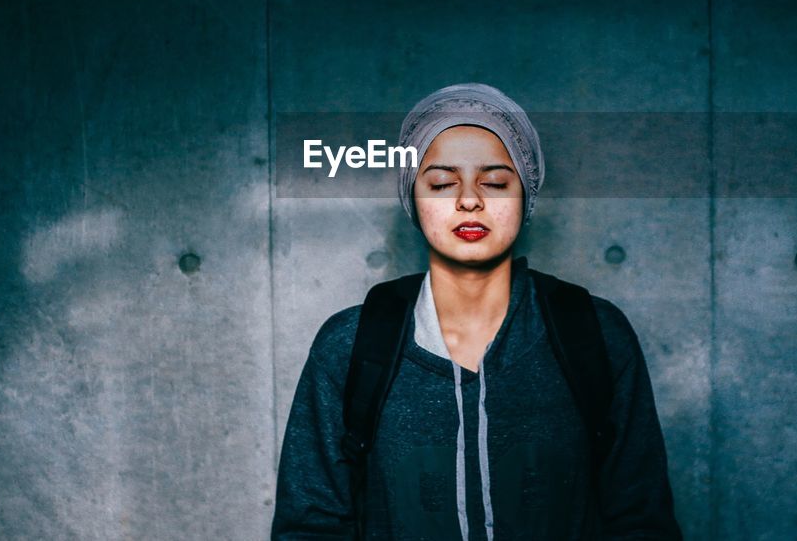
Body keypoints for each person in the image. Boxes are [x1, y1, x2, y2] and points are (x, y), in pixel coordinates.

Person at [272, 82, 683, 540]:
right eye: (443, 183)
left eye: (494, 182)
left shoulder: (595, 335)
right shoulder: (349, 345)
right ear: (413, 196)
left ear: (526, 193)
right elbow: (309, 527)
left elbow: (641, 521)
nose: (470, 200)